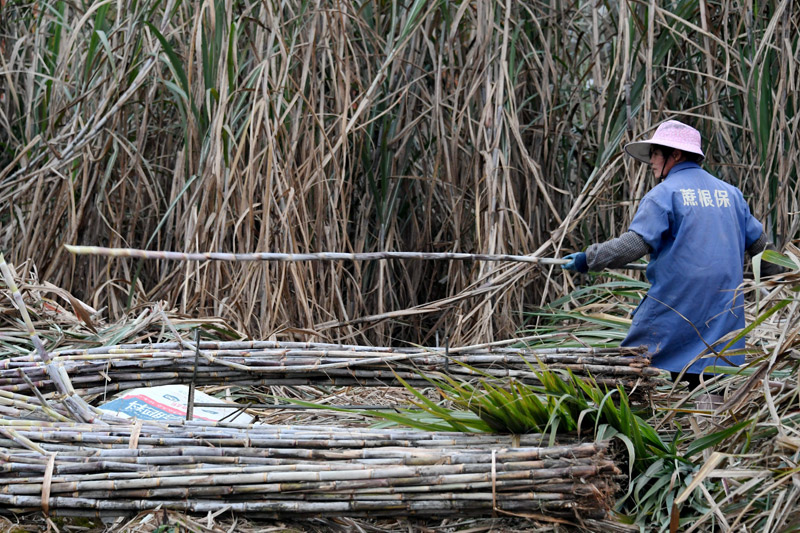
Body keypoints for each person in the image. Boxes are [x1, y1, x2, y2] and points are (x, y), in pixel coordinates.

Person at [562, 120, 781, 386]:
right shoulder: (731, 195)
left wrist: (588, 259)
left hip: (675, 308)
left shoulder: (664, 194)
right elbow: (762, 248)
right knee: (709, 383)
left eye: (655, 153)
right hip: (723, 314)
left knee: (632, 363)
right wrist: (784, 288)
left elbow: (633, 245)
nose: (651, 161)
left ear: (675, 155)